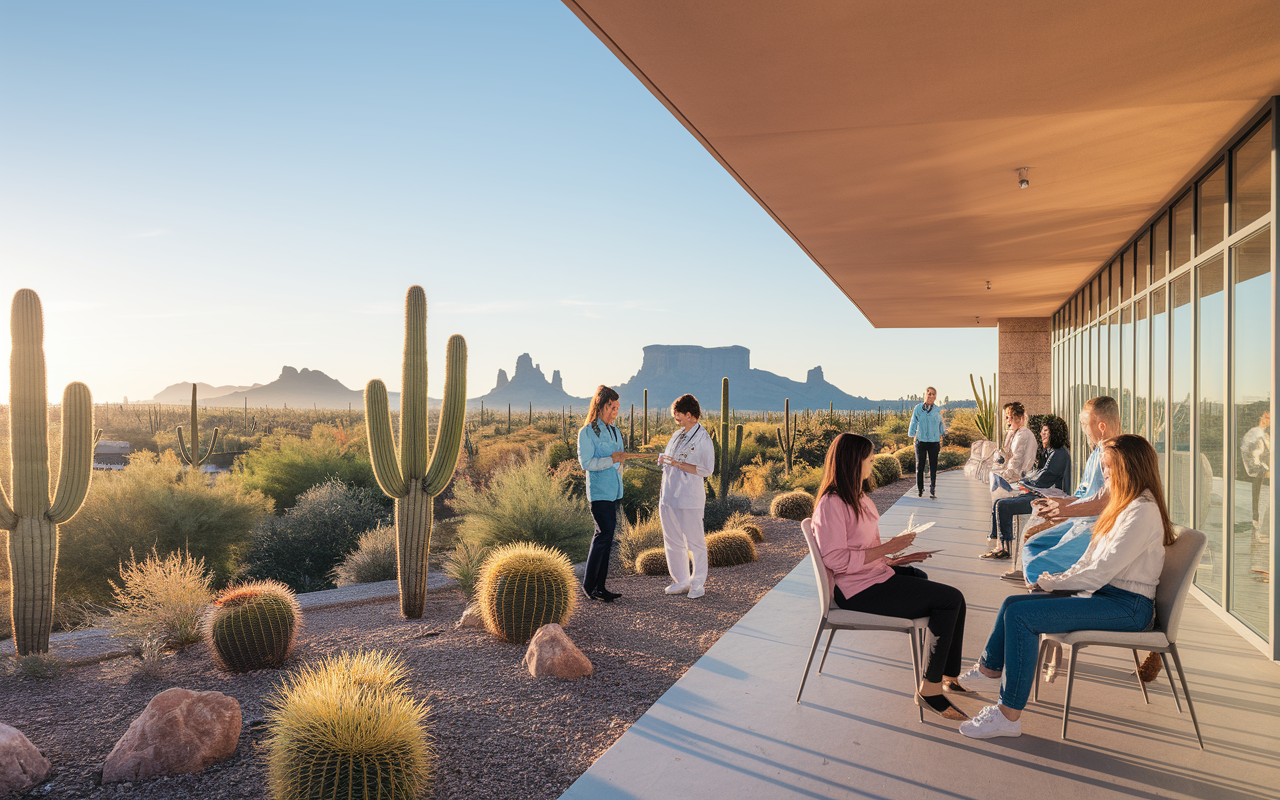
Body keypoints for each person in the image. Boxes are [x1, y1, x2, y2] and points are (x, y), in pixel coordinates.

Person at [956, 434, 1174, 739]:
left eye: (1109, 467)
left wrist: (1052, 582)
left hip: (1128, 607)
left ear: (1129, 467)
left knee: (1023, 617)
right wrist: (1054, 582)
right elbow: (1089, 561)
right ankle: (989, 670)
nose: (1105, 473)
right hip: (1108, 597)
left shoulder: (1141, 511)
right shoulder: (1123, 506)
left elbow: (1099, 571)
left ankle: (1008, 716)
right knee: (1013, 604)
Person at [811, 433, 970, 720]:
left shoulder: (859, 498)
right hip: (857, 591)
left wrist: (895, 558)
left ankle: (947, 674)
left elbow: (864, 550)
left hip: (871, 577)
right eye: (869, 459)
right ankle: (930, 689)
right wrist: (887, 549)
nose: (872, 463)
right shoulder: (832, 504)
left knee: (921, 577)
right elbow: (835, 559)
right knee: (951, 599)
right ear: (853, 462)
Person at [1014, 395, 1119, 583]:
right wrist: (1058, 504)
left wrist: (1064, 509)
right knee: (1032, 544)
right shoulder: (1097, 452)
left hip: (1094, 529)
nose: (1084, 430)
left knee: (1035, 564)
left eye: (1085, 424)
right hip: (1079, 522)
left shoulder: (1114, 455)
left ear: (1101, 426)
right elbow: (1084, 494)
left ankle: (1043, 600)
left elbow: (1105, 501)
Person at [577, 385, 653, 602]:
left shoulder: (615, 431)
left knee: (606, 538)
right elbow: (586, 463)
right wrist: (613, 459)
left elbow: (619, 460)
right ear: (601, 406)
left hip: (615, 492)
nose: (615, 411)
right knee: (603, 536)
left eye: (617, 408)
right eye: (612, 407)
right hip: (599, 493)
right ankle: (590, 586)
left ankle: (598, 586)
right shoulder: (588, 432)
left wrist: (620, 461)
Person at [982, 417, 1071, 560]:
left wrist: (1024, 484)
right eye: (1042, 431)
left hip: (1049, 499)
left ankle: (1004, 549)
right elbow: (1040, 474)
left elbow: (1044, 478)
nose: (1042, 434)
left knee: (1003, 505)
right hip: (1042, 494)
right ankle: (1000, 545)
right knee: (1000, 502)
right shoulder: (1051, 452)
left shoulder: (1059, 454)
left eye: (1046, 431)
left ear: (1055, 433)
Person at [656, 394, 715, 599]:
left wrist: (678, 464)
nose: (676, 420)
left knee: (695, 542)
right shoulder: (677, 435)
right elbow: (669, 458)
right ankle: (681, 580)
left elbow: (707, 469)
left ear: (690, 415)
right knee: (672, 540)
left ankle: (697, 583)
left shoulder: (703, 439)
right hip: (669, 496)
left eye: (678, 416)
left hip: (689, 497)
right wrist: (664, 459)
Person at [908, 387, 947, 499]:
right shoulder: (918, 408)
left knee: (933, 466)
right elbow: (913, 421)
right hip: (921, 441)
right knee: (920, 466)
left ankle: (932, 489)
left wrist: (943, 433)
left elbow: (941, 424)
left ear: (935, 397)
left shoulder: (937, 410)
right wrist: (912, 434)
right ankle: (920, 489)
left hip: (934, 442)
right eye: (929, 393)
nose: (930, 396)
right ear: (925, 395)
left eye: (933, 394)